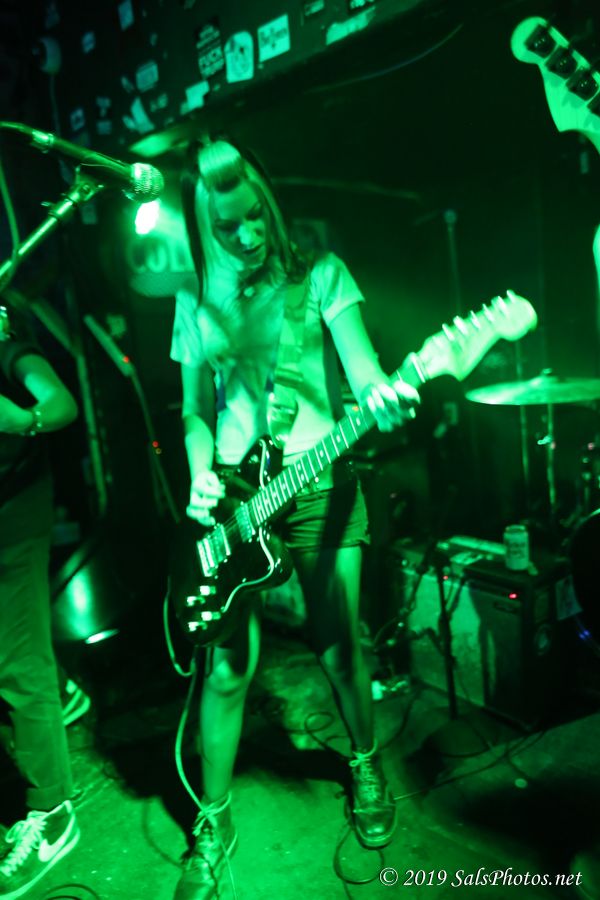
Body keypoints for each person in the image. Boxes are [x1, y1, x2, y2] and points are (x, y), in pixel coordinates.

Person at [169, 137, 420, 900]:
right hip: (236, 499)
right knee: (225, 670)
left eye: (255, 215)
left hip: (318, 481)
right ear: (201, 226)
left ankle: (365, 765)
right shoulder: (193, 299)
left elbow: (367, 375)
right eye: (226, 226)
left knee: (340, 646)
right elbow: (193, 411)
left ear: (268, 202)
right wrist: (200, 472)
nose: (247, 234)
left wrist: (385, 395)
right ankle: (213, 817)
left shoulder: (322, 275)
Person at [0, 303, 79, 898]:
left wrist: (21, 420)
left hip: (15, 510)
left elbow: (61, 404)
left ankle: (53, 812)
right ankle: (65, 692)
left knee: (18, 661)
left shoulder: (9, 350)